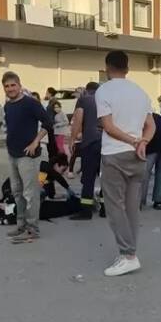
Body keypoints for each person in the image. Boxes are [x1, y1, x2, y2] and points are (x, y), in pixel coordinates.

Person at [96, 50, 155, 277]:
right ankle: (129, 253)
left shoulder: (104, 90)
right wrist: (142, 142)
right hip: (137, 154)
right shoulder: (140, 92)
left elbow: (108, 127)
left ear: (107, 67)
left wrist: (132, 140)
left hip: (115, 154)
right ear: (127, 68)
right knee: (132, 207)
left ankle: (129, 255)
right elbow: (151, 126)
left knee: (114, 207)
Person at [3, 71, 53, 242]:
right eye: (7, 86)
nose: (10, 89)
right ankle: (21, 224)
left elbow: (48, 123)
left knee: (30, 194)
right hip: (12, 155)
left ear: (19, 85)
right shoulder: (8, 105)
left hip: (28, 156)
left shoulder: (31, 103)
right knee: (17, 192)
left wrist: (35, 142)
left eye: (13, 85)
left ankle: (33, 229)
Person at [69, 81, 103, 220]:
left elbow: (78, 119)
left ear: (87, 90)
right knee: (105, 177)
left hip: (90, 142)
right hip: (106, 143)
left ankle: (86, 211)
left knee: (88, 178)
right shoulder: (106, 100)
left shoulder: (84, 100)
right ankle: (105, 209)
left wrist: (72, 139)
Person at [140, 111, 161, 210]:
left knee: (145, 173)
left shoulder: (141, 117)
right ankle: (159, 201)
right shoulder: (157, 116)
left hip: (152, 145)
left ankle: (140, 201)